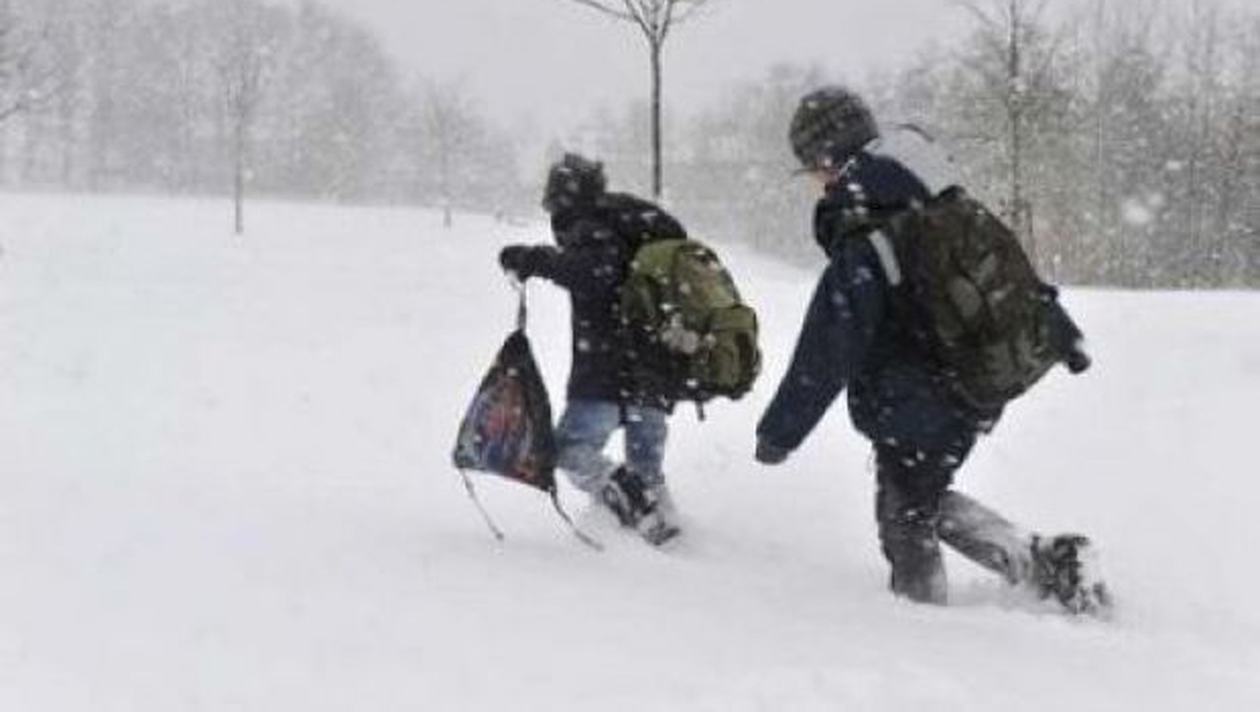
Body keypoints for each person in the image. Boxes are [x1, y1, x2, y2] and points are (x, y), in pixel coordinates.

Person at [755, 87, 1109, 612]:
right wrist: (1062, 334)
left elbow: (828, 346)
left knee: (905, 517)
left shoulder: (869, 234)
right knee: (919, 497)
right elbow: (1012, 276)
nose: (815, 182)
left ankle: (925, 628)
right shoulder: (944, 201)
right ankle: (1040, 564)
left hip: (917, 398)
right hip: (972, 380)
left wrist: (780, 432)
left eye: (812, 169)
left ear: (828, 160)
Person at [498, 153, 685, 546]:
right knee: (647, 469)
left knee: (570, 449)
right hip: (656, 370)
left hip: (608, 370)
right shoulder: (633, 224)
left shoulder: (592, 226)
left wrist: (534, 259)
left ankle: (635, 507)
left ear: (560, 198)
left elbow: (595, 274)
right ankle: (670, 538)